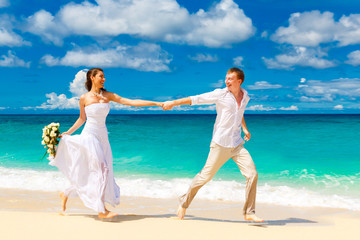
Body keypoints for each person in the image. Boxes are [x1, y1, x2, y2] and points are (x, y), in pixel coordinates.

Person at [49, 68, 163, 219]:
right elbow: (82, 119)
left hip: (103, 137)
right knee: (101, 170)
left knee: (95, 171)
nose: (104, 79)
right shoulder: (84, 98)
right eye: (101, 76)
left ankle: (65, 193)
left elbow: (131, 102)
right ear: (92, 77)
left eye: (104, 77)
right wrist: (68, 133)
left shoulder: (108, 95)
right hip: (89, 136)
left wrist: (155, 103)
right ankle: (101, 210)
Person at [162, 67, 263, 222]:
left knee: (252, 175)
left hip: (237, 144)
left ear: (239, 81)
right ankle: (184, 202)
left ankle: (249, 212)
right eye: (226, 78)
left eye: (230, 79)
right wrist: (173, 103)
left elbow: (239, 112)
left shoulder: (245, 96)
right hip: (220, 144)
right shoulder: (220, 94)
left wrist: (245, 128)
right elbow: (195, 99)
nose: (226, 81)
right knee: (205, 177)